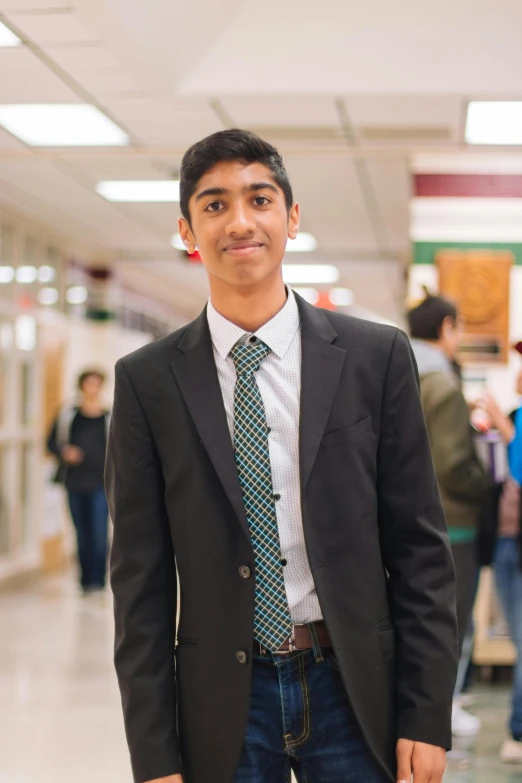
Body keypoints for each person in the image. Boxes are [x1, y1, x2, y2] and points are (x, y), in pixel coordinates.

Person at [106, 129, 458, 783]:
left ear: (291, 217)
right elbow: (140, 586)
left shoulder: (374, 359)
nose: (240, 221)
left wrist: (426, 713)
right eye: (214, 205)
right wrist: (153, 757)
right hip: (222, 700)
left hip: (354, 685)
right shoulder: (147, 381)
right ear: (188, 230)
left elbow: (420, 551)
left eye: (259, 198)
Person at [408, 294, 492, 740]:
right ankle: (446, 705)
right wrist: (487, 489)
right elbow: (455, 466)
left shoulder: (397, 373)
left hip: (411, 519)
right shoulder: (442, 384)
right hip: (452, 521)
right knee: (452, 619)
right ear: (446, 328)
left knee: (424, 615)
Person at [479, 358, 522, 763]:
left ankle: (519, 732)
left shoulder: (514, 420)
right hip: (508, 542)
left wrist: (506, 430)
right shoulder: (515, 415)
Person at [47, 369, 110, 594]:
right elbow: (51, 443)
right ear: (81, 386)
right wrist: (64, 452)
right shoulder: (67, 414)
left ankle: (99, 581)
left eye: (96, 384)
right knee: (81, 533)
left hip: (101, 485)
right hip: (74, 483)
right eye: (88, 384)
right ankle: (85, 581)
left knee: (99, 534)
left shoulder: (109, 416)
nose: (92, 388)